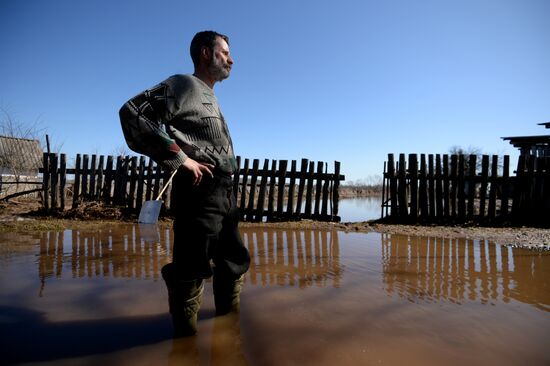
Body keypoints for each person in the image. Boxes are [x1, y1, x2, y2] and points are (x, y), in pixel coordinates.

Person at [119, 30, 250, 337]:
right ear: (206, 53)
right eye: (225, 52)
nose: (232, 59)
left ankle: (228, 337)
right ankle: (185, 345)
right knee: (191, 269)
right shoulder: (184, 84)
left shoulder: (210, 96)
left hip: (224, 193)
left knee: (233, 262)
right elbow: (133, 113)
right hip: (199, 190)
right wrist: (180, 159)